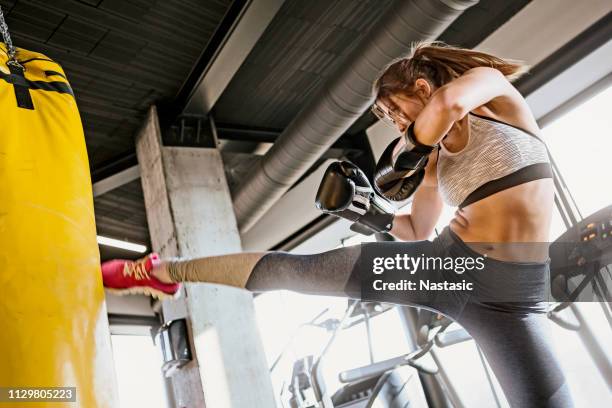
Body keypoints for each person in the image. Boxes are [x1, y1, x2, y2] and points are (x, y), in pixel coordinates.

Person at [102, 42, 572, 407]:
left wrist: (403, 155)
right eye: (390, 121)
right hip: (448, 266)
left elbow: (449, 104)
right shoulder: (431, 164)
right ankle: (163, 272)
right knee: (296, 272)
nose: (396, 126)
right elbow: (416, 232)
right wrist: (371, 214)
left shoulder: (490, 94)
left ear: (421, 91)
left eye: (394, 113)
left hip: (515, 296)